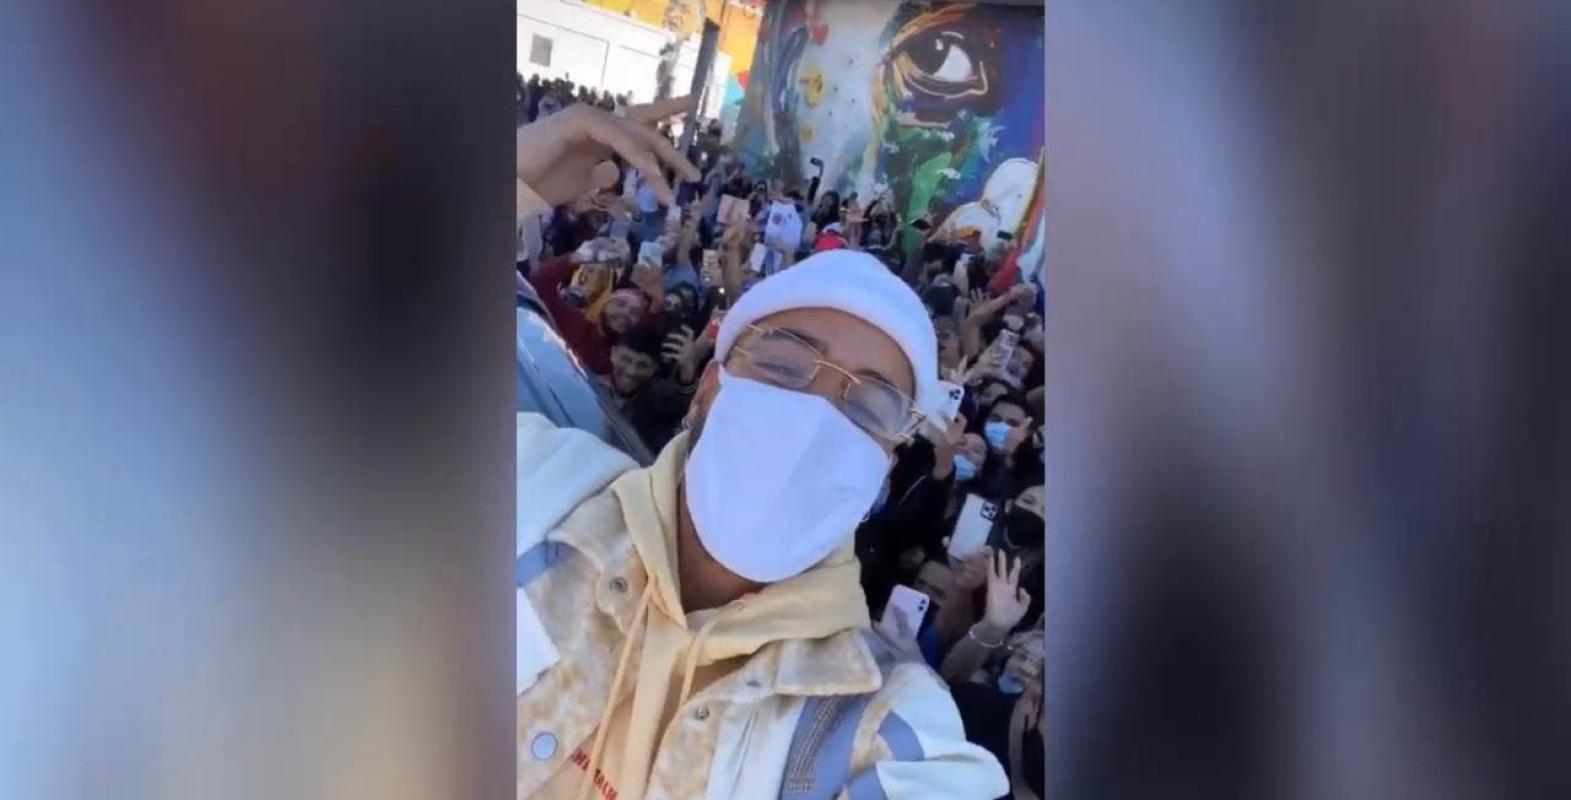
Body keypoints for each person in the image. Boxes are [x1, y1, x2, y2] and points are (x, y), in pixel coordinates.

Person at [512, 229, 1008, 800]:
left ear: (885, 465)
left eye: (869, 407)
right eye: (783, 364)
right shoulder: (535, 477)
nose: (814, 421)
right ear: (709, 387)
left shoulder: (874, 720)